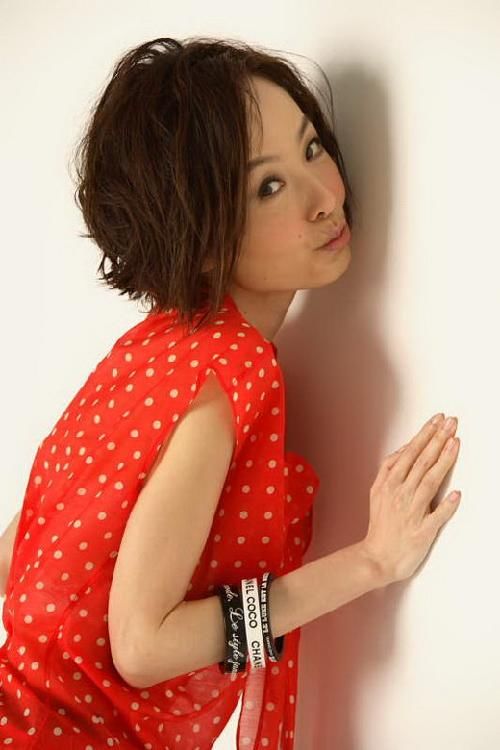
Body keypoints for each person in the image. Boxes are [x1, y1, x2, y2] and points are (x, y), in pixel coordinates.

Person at [0, 36, 461, 749]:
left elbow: (20, 555)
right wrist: (371, 561)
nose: (324, 198)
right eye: (267, 187)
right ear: (202, 233)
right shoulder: (230, 368)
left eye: (312, 148)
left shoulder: (147, 348)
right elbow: (142, 644)